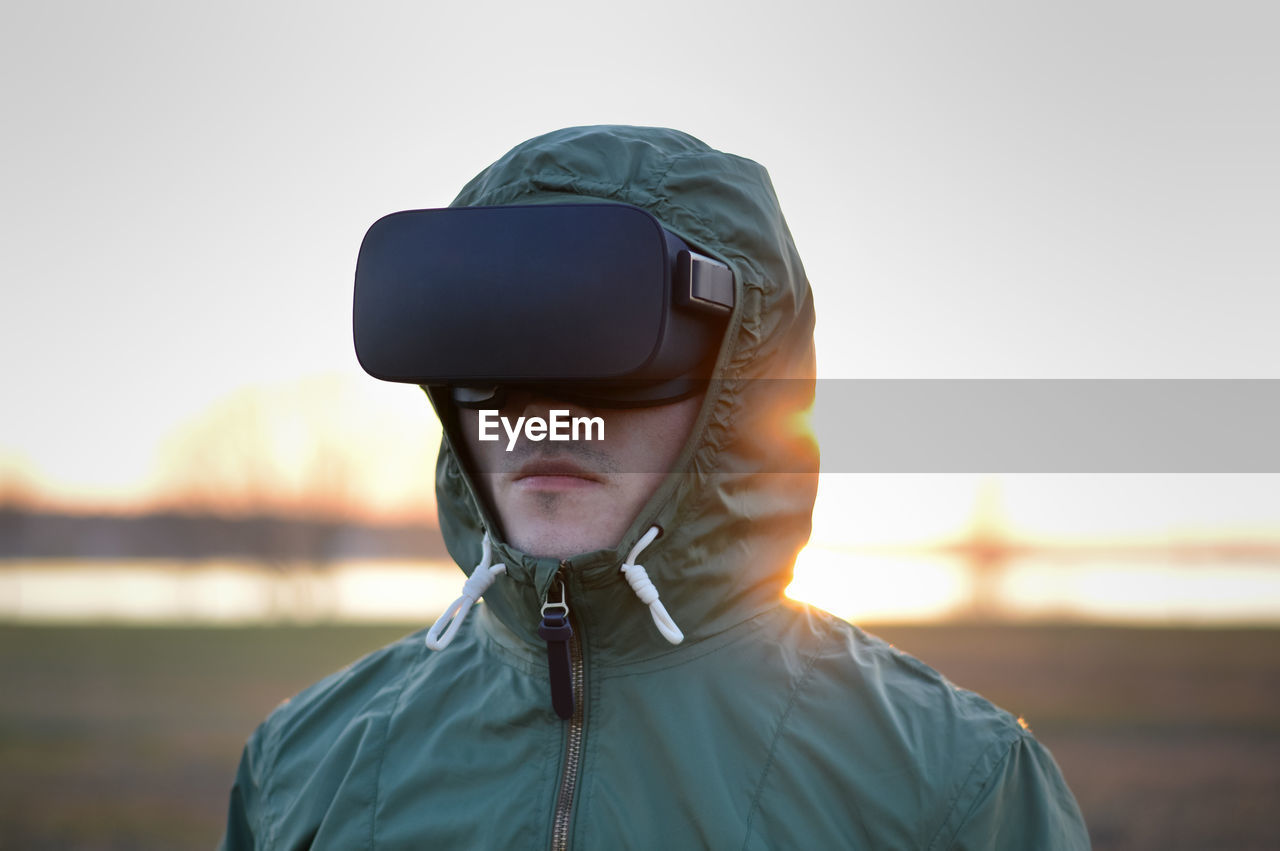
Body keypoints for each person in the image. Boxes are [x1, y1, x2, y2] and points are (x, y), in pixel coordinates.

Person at [220, 125, 1089, 848]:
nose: (545, 408)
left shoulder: (950, 787)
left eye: (606, 339)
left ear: (739, 384)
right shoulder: (301, 767)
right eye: (493, 354)